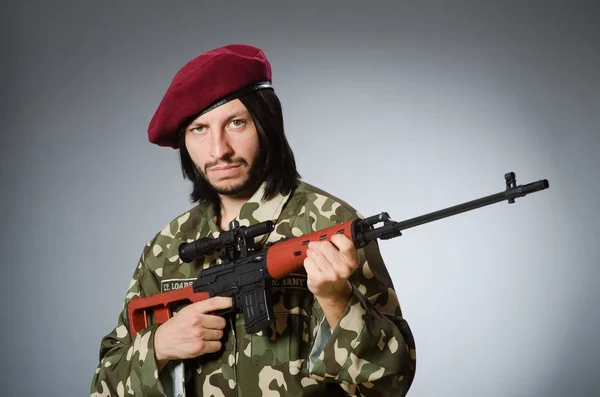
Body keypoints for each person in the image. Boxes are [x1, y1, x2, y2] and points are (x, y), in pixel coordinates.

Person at [90, 44, 416, 397]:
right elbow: (104, 385)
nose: (219, 150)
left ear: (266, 125)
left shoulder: (329, 223)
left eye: (236, 123)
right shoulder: (167, 246)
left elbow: (390, 384)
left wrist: (338, 302)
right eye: (199, 129)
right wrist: (158, 347)